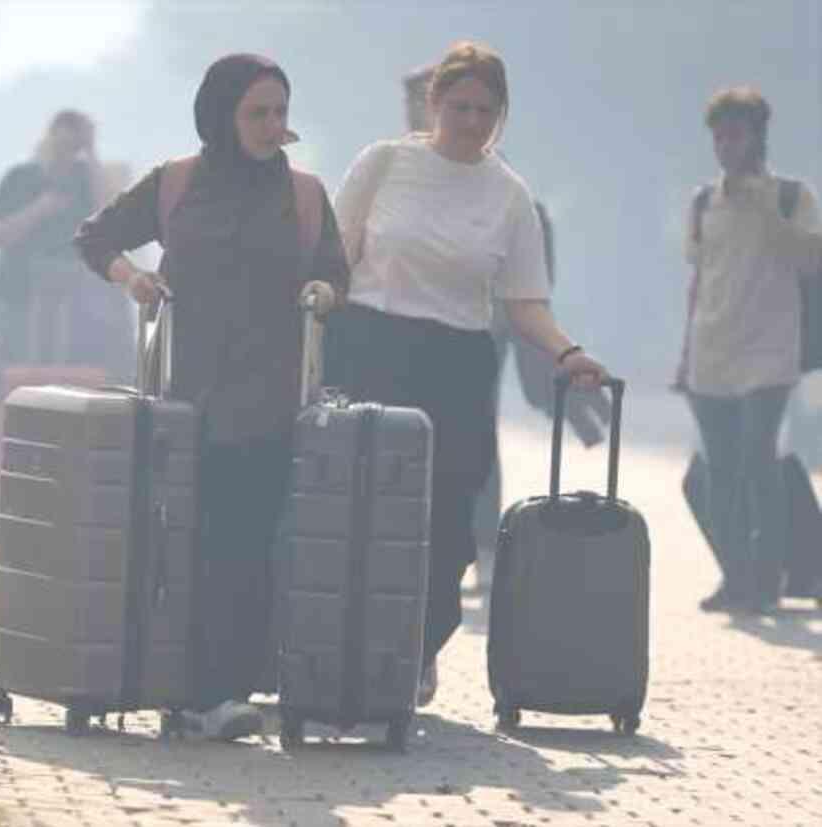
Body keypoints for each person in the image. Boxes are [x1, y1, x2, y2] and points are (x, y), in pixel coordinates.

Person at [75, 53, 349, 740]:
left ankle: (218, 692)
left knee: (244, 544)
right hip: (181, 396)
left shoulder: (307, 195)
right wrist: (130, 277)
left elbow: (333, 270)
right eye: (256, 112)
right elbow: (95, 237)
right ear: (220, 116)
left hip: (267, 399)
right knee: (182, 544)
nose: (270, 125)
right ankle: (184, 687)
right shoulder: (176, 184)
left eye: (280, 112)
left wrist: (324, 293)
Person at [328, 41, 610, 708]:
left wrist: (568, 354)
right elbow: (331, 261)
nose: (472, 120)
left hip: (455, 360)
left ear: (501, 114)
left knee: (449, 519)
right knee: (358, 507)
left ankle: (418, 648)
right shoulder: (383, 163)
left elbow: (523, 302)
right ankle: (342, 645)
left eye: (486, 109)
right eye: (460, 106)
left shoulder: (508, 195)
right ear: (434, 105)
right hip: (367, 343)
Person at [400, 63, 611, 592]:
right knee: (415, 436)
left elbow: (520, 276)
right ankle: (422, 547)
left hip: (479, 329)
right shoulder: (398, 167)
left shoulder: (495, 180)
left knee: (470, 435)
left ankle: (483, 547)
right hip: (410, 330)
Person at [674, 86, 822, 614]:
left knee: (759, 458)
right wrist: (683, 354)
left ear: (756, 135)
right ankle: (735, 575)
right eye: (717, 136)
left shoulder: (791, 196)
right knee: (719, 471)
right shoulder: (701, 202)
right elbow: (699, 282)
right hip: (712, 351)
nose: (723, 145)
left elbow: (810, 260)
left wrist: (765, 210)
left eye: (733, 134)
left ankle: (767, 579)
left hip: (770, 352)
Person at [0, 110, 133, 380]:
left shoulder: (85, 178)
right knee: (19, 372)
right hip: (19, 296)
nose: (65, 149)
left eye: (73, 142)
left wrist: (91, 153)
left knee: (70, 375)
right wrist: (39, 209)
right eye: (62, 137)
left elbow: (110, 216)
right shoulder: (20, 177)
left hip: (75, 301)